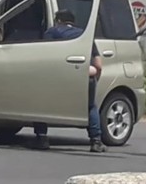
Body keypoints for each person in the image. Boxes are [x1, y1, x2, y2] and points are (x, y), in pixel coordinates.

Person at [30, 9, 106, 153]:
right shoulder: (84, 35)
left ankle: (41, 138)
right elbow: (98, 64)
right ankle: (96, 141)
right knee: (90, 107)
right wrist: (95, 78)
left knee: (41, 104)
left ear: (58, 20)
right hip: (83, 75)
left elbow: (43, 56)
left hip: (57, 76)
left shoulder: (51, 33)